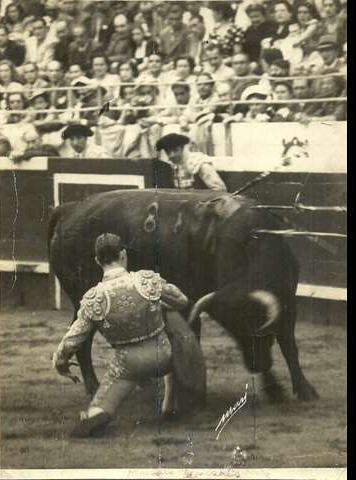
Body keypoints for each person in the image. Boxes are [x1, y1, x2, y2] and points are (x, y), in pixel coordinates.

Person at [52, 233, 200, 437]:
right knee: (171, 320)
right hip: (163, 354)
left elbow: (73, 338)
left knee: (100, 407)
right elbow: (182, 301)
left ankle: (97, 413)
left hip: (127, 365)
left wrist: (60, 363)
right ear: (123, 254)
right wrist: (159, 304)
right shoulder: (147, 281)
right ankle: (169, 404)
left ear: (97, 261)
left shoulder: (94, 298)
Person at [155, 133, 227, 191]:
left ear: (182, 148)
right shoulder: (173, 167)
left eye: (175, 150)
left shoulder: (199, 164)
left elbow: (220, 190)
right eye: (168, 152)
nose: (171, 155)